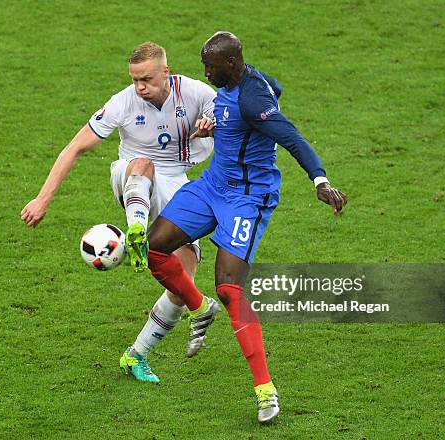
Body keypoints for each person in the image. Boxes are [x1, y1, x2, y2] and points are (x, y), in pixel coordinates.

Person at [146, 32, 347, 423]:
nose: (206, 72)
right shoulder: (244, 83)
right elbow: (277, 86)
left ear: (233, 64)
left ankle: (265, 391)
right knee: (154, 246)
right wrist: (216, 126)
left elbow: (291, 138)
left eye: (212, 66)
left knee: (229, 288)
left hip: (247, 199)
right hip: (212, 185)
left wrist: (320, 181)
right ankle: (198, 307)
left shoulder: (253, 100)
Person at [20, 42, 218, 383]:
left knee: (183, 281)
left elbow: (225, 111)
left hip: (176, 180)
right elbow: (75, 147)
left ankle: (135, 355)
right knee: (142, 164)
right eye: (135, 79)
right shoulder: (122, 102)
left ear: (165, 73)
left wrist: (211, 122)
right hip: (130, 176)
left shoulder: (196, 92)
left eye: (146, 79)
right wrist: (42, 198)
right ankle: (137, 231)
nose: (140, 87)